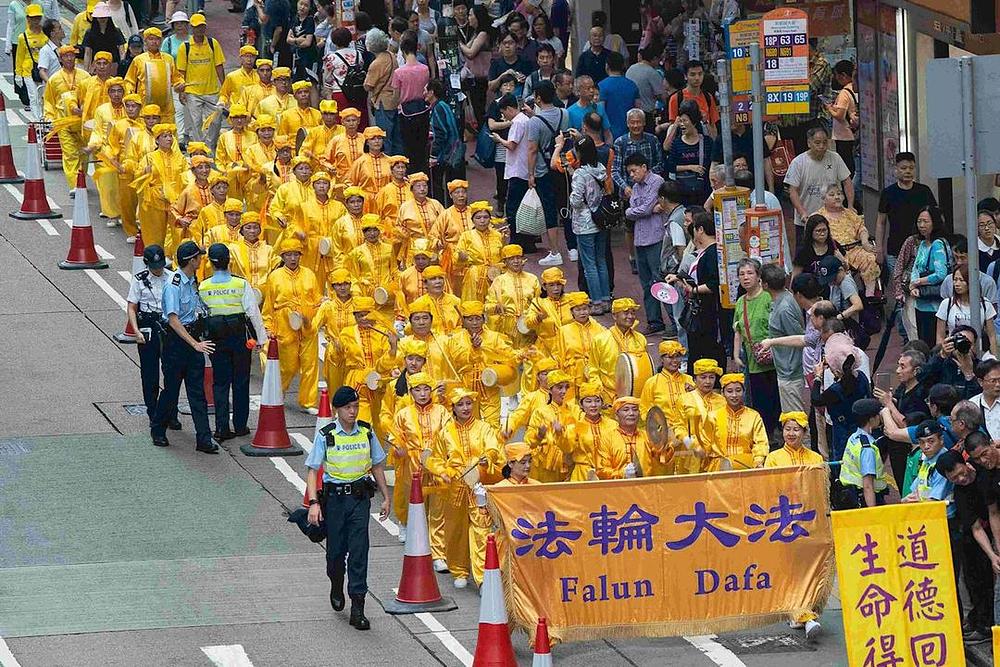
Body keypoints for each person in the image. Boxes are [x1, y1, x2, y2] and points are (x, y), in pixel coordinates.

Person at [304, 385, 390, 631]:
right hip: (335, 502)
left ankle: (358, 608)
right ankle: (336, 583)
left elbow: (377, 466)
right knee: (335, 554)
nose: (353, 412)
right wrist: (313, 503)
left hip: (359, 500)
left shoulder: (366, 432)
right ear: (336, 410)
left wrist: (385, 496)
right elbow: (313, 471)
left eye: (355, 407)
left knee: (359, 552)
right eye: (347, 408)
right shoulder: (327, 434)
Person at [425, 388, 503, 588]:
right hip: (455, 488)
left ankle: (482, 578)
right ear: (453, 408)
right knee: (455, 531)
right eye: (460, 404)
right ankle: (459, 570)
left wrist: (489, 457)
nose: (466, 408)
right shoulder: (445, 433)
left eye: (469, 403)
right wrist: (443, 472)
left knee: (481, 529)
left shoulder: (484, 427)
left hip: (478, 487)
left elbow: (493, 447)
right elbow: (436, 458)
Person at [150, 241, 217, 452]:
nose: (201, 260)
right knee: (171, 391)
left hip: (192, 338)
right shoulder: (174, 284)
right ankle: (158, 428)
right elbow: (173, 319)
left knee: (197, 393)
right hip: (177, 343)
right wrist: (194, 344)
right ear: (191, 260)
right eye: (199, 257)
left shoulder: (191, 280)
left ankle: (204, 439)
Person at [199, 243, 267, 441]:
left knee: (220, 384)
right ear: (229, 260)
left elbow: (201, 314)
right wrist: (261, 339)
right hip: (239, 340)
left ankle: (221, 428)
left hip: (216, 340)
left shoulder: (204, 286)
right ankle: (240, 425)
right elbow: (253, 313)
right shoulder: (240, 284)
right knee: (240, 382)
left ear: (210, 262)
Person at [935, 444, 997, 646]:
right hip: (978, 539)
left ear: (965, 463)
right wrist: (992, 555)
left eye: (961, 473)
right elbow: (976, 528)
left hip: (996, 529)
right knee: (977, 580)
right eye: (954, 479)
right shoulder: (961, 494)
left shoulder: (984, 471)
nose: (961, 479)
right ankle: (984, 627)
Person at [262, 238, 322, 412]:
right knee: (287, 366)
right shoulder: (275, 277)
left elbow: (317, 298)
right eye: (289, 255)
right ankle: (278, 392)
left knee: (310, 365)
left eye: (296, 254)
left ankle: (308, 402)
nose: (293, 258)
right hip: (284, 325)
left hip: (307, 324)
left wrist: (320, 303)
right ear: (283, 256)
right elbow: (269, 306)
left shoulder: (309, 274)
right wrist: (268, 327)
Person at [127, 244, 180, 431]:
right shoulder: (139, 280)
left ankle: (171, 413)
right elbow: (132, 307)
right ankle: (153, 412)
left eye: (160, 265)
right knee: (150, 374)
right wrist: (136, 330)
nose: (158, 269)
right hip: (148, 326)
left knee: (172, 372)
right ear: (147, 264)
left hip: (168, 325)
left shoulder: (173, 278)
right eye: (154, 266)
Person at [668, 209, 725, 370]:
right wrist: (680, 279)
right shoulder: (704, 252)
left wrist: (693, 290)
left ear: (700, 230)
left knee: (707, 349)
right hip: (701, 310)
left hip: (708, 312)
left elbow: (714, 283)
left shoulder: (712, 253)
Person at [732, 259, 780, 437]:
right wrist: (737, 355)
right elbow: (737, 330)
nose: (745, 278)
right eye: (742, 274)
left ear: (759, 276)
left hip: (773, 357)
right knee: (759, 401)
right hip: (753, 360)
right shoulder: (740, 302)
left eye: (750, 273)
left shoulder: (768, 297)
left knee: (775, 398)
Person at [784, 126, 853, 245]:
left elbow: (847, 181)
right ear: (809, 143)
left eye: (824, 142)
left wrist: (850, 206)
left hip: (833, 219)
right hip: (807, 219)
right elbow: (793, 191)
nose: (821, 146)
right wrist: (802, 212)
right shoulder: (798, 162)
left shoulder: (835, 158)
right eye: (817, 143)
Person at [526, 80, 569, 266]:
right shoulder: (564, 113)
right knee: (565, 205)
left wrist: (530, 174)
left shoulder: (535, 122)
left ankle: (554, 251)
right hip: (561, 166)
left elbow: (532, 150)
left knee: (549, 210)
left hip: (544, 171)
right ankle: (573, 247)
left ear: (537, 98)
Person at [873, 349, 929, 491]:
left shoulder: (920, 393)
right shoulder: (903, 388)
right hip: (896, 449)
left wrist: (889, 404)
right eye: (898, 365)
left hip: (911, 451)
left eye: (903, 367)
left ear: (916, 371)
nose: (898, 370)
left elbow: (906, 425)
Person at [566, 134, 610, 310]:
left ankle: (597, 302)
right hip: (600, 218)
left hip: (584, 223)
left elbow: (576, 200)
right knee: (601, 260)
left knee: (589, 264)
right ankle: (606, 299)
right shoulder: (600, 168)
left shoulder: (580, 174)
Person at [625, 153, 666, 334]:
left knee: (660, 279)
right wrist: (641, 211)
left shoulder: (657, 182)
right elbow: (634, 210)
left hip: (655, 237)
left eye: (634, 171)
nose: (632, 175)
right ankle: (654, 321)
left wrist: (637, 211)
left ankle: (673, 321)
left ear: (644, 167)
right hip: (640, 239)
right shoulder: (636, 187)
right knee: (646, 283)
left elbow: (644, 207)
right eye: (630, 172)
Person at [876, 151, 938, 270]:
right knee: (896, 285)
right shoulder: (888, 193)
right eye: (903, 168)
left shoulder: (924, 191)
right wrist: (879, 249)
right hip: (895, 249)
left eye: (911, 168)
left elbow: (936, 217)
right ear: (896, 169)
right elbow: (881, 222)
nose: (908, 171)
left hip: (922, 249)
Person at [814, 184, 879, 292]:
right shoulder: (818, 216)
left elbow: (861, 229)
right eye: (832, 194)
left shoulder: (850, 213)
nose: (837, 197)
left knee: (871, 258)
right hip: (832, 252)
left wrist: (865, 242)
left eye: (839, 194)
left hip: (854, 250)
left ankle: (870, 294)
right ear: (823, 199)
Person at [702, 373, 769, 471]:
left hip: (746, 465)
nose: (734, 395)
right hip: (718, 468)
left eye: (738, 391)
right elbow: (704, 444)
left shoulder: (753, 416)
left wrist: (758, 461)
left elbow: (761, 443)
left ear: (744, 392)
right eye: (729, 391)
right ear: (722, 393)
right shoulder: (713, 416)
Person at [908, 205, 951, 346]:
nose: (921, 225)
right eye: (919, 221)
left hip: (934, 306)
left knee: (933, 343)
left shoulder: (938, 244)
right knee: (923, 342)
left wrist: (918, 282)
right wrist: (912, 284)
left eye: (926, 221)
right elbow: (915, 267)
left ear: (935, 222)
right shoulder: (922, 244)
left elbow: (940, 274)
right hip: (920, 301)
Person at [588, 298, 647, 401]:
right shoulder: (600, 340)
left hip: (635, 397)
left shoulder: (640, 339)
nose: (630, 317)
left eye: (633, 313)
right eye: (625, 313)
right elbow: (593, 370)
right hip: (608, 397)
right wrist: (599, 395)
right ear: (614, 316)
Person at [938, 264, 998, 353]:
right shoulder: (946, 304)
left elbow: (992, 336)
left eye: (961, 280)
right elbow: (940, 336)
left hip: (977, 352)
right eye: (955, 280)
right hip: (952, 352)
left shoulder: (985, 304)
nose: (957, 284)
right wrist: (941, 354)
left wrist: (994, 358)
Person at [393, 31, 431, 174]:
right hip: (422, 110)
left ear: (402, 50)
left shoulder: (399, 72)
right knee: (422, 146)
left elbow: (396, 96)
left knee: (408, 147)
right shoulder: (425, 69)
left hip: (405, 112)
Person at [838, 398, 887, 508]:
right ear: (871, 419)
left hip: (850, 496)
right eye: (878, 415)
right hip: (864, 499)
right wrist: (871, 512)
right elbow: (868, 485)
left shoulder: (854, 437)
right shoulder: (867, 449)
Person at [664, 100, 713, 206]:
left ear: (694, 122)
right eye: (680, 121)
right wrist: (690, 167)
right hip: (683, 191)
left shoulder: (706, 141)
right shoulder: (677, 143)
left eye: (685, 121)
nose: (682, 124)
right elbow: (670, 166)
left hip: (703, 190)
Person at [426, 80, 466, 205]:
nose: (424, 93)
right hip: (453, 152)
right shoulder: (443, 105)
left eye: (425, 90)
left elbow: (441, 133)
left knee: (442, 186)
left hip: (446, 154)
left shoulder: (438, 108)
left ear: (432, 92)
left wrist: (433, 156)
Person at [363, 29, 399, 155]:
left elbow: (368, 86)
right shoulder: (391, 56)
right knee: (396, 137)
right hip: (394, 99)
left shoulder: (376, 64)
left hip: (382, 101)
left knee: (384, 136)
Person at [666, 59, 718, 140]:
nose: (697, 78)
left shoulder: (708, 97)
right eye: (693, 74)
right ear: (686, 76)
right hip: (683, 144)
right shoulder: (676, 98)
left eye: (700, 74)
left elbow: (713, 126)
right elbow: (673, 126)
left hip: (705, 143)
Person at [825, 60, 858, 178]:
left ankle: (849, 188)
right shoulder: (855, 88)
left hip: (844, 134)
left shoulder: (844, 92)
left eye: (836, 75)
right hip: (853, 133)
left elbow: (840, 115)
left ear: (843, 75)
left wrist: (829, 108)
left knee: (846, 166)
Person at [597, 51, 638, 141]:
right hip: (630, 133)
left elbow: (600, 112)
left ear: (607, 66)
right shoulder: (632, 85)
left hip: (609, 134)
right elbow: (638, 110)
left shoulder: (601, 86)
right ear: (623, 66)